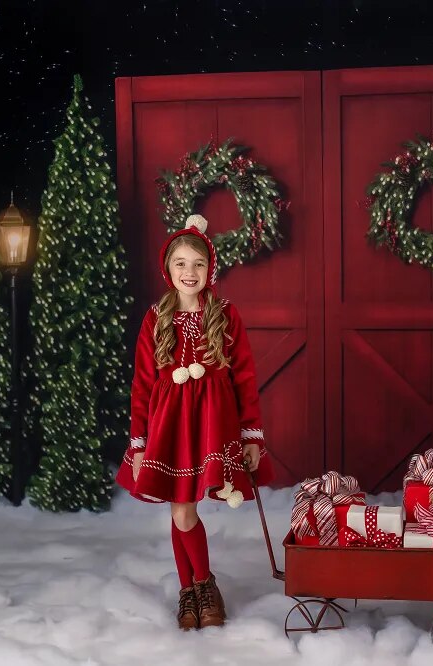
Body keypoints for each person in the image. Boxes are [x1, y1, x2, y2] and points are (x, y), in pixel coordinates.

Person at [116, 214, 274, 631]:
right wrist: (138, 443)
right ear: (167, 270)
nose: (190, 272)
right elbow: (142, 385)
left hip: (212, 425)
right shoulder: (156, 317)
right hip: (170, 427)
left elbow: (244, 378)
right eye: (181, 264)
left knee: (183, 510)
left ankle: (192, 592)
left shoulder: (225, 314)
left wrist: (251, 435)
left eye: (199, 264)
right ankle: (201, 585)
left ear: (211, 269)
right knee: (181, 510)